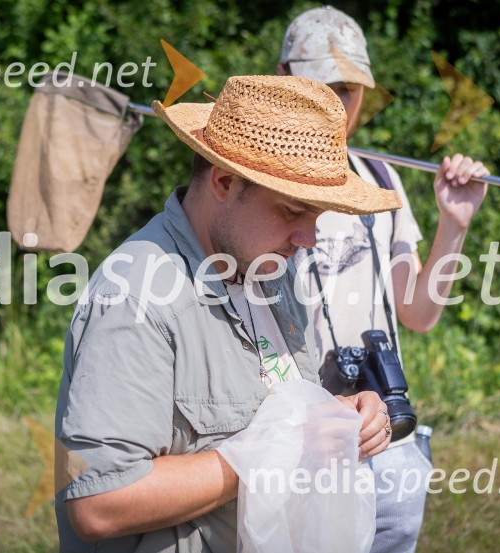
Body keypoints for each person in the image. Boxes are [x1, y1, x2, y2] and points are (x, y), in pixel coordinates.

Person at [54, 75, 403, 553]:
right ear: (223, 182)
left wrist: (342, 418)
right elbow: (99, 503)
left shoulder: (269, 268)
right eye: (292, 211)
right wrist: (272, 456)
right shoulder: (138, 297)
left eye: (317, 217)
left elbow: (280, 409)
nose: (309, 240)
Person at [280, 6, 491, 553]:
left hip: (390, 439)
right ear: (282, 80)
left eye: (347, 90)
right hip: (303, 446)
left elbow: (417, 314)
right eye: (319, 86)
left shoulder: (380, 177)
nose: (335, 104)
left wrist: (454, 224)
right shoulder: (260, 185)